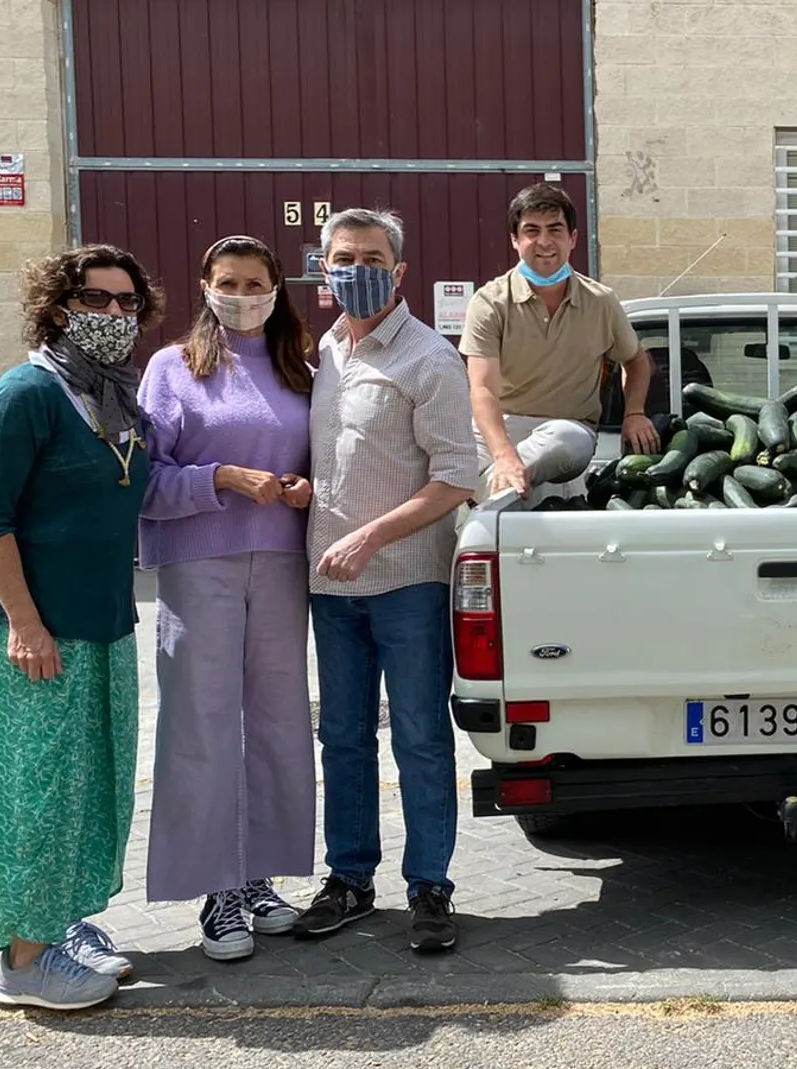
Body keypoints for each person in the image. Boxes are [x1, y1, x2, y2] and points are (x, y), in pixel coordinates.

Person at [0, 244, 161, 1009]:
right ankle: (22, 964)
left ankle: (59, 930)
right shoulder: (27, 393)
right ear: (57, 308)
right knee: (33, 795)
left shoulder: (114, 395)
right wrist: (24, 624)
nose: (114, 315)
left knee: (84, 792)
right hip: (37, 634)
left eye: (125, 303)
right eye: (96, 299)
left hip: (103, 627)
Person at [294, 208, 477, 954]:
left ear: (400, 271)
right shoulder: (322, 355)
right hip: (331, 589)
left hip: (406, 581)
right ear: (325, 267)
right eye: (343, 256)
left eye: (371, 256)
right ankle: (350, 879)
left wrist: (371, 534)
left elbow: (456, 478)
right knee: (340, 736)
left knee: (421, 738)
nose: (356, 268)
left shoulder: (431, 359)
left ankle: (430, 886)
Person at [137, 235, 318, 962]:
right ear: (205, 286)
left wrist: (308, 492)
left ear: (277, 288)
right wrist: (220, 479)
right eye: (228, 281)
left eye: (255, 281)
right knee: (202, 724)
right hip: (199, 561)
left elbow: (325, 463)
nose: (242, 293)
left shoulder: (300, 370)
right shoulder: (171, 368)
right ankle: (216, 889)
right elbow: (145, 482)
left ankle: (258, 875)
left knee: (277, 723)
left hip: (281, 563)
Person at [462, 182, 657, 505]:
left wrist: (634, 412)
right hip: (497, 431)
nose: (544, 242)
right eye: (531, 231)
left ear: (573, 239)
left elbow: (635, 361)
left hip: (567, 431)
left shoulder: (601, 302)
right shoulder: (489, 302)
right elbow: (482, 389)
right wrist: (504, 454)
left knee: (565, 439)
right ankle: (493, 485)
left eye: (555, 230)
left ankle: (480, 497)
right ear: (515, 239)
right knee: (447, 466)